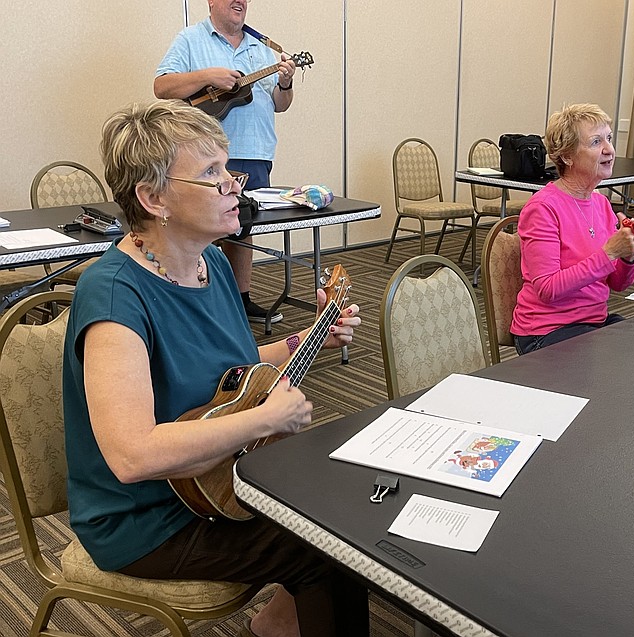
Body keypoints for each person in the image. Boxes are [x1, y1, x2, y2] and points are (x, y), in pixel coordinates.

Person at [63, 100, 367, 637]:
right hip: (150, 516)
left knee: (342, 499)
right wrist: (264, 422)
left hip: (217, 474)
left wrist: (306, 336)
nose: (235, 184)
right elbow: (132, 456)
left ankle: (278, 622)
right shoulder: (114, 295)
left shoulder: (214, 263)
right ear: (153, 198)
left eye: (227, 169)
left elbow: (236, 375)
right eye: (211, 173)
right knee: (330, 547)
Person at [154, 0, 297, 324]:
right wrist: (207, 75)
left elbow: (280, 104)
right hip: (203, 157)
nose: (240, 1)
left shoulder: (261, 48)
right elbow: (162, 86)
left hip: (255, 152)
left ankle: (240, 298)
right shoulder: (191, 39)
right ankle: (198, 300)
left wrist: (286, 82)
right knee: (200, 226)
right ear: (211, 2)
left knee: (242, 227)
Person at [510, 103, 634, 354]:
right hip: (547, 331)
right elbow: (548, 289)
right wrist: (609, 252)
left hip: (592, 322)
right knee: (617, 364)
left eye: (609, 139)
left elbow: (618, 284)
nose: (609, 150)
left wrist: (629, 255)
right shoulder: (543, 208)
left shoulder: (601, 203)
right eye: (596, 142)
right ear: (567, 156)